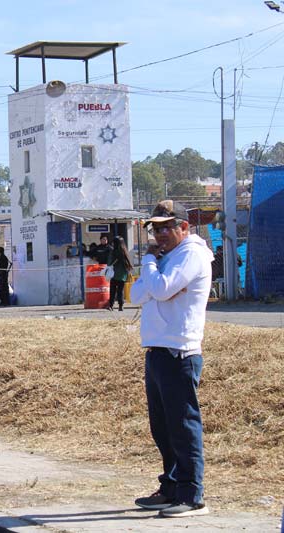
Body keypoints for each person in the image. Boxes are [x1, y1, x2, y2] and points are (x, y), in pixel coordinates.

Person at [129, 200, 213, 518]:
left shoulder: (191, 253)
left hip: (179, 351)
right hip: (157, 349)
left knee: (183, 425)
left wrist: (150, 266)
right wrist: (154, 281)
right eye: (156, 228)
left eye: (167, 227)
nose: (160, 234)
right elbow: (137, 295)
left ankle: (192, 495)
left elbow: (161, 290)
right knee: (162, 427)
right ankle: (171, 487)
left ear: (183, 227)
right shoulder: (168, 257)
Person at [106, 236, 133, 312]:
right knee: (120, 291)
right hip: (123, 275)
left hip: (114, 274)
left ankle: (111, 305)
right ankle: (121, 306)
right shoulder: (125, 252)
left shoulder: (113, 251)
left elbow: (109, 263)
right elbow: (128, 264)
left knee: (113, 291)